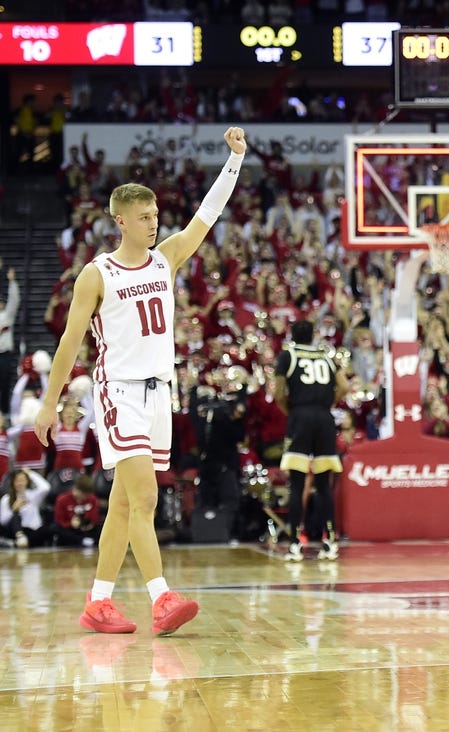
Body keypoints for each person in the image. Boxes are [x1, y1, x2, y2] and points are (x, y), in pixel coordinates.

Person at [34, 126, 248, 635]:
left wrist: (234, 160)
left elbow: (207, 215)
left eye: (156, 216)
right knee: (147, 497)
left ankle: (98, 603)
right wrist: (49, 403)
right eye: (145, 217)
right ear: (120, 220)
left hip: (160, 394)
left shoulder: (166, 257)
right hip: (118, 393)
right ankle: (160, 596)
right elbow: (69, 344)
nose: (154, 223)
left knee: (127, 504)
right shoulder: (97, 274)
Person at [274, 318, 349, 562]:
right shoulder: (326, 356)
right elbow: (344, 386)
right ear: (313, 336)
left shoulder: (288, 355)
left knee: (297, 484)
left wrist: (292, 411)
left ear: (292, 336)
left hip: (300, 417)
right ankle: (330, 542)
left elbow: (278, 392)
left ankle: (295, 543)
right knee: (324, 484)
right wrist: (327, 404)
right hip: (324, 418)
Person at [0, 468, 50, 547]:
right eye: (17, 481)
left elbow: (46, 487)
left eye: (22, 480)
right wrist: (14, 509)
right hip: (15, 532)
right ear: (13, 482)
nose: (20, 483)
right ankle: (20, 538)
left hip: (32, 531)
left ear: (27, 481)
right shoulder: (6, 499)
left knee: (47, 529)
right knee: (16, 516)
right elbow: (3, 522)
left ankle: (17, 544)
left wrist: (30, 473)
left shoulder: (33, 495)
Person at [51, 473, 101, 547]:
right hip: (70, 529)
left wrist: (90, 524)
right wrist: (70, 523)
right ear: (76, 489)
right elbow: (60, 520)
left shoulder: (92, 499)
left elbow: (95, 517)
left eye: (87, 495)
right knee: (55, 528)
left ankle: (90, 540)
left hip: (86, 529)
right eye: (84, 494)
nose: (85, 497)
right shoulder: (62, 499)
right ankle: (82, 540)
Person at [0, 264, 19, 416]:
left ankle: (4, 412)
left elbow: (14, 301)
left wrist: (12, 282)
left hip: (5, 354)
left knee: (5, 383)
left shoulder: (7, 315)